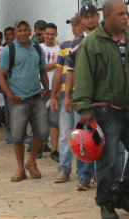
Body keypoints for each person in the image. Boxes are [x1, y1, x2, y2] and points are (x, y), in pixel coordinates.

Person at [73, 0, 129, 219]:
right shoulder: (92, 43)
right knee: (107, 161)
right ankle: (105, 202)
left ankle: (124, 193)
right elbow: (83, 77)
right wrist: (84, 107)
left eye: (126, 13)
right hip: (106, 110)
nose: (126, 17)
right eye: (120, 14)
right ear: (107, 17)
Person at [0, 19, 50, 182]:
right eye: (19, 31)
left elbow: (42, 70)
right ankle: (21, 169)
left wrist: (46, 89)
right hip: (17, 99)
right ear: (14, 33)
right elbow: (1, 76)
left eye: (25, 30)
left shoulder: (36, 49)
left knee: (42, 133)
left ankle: (31, 160)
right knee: (18, 136)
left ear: (30, 32)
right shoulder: (8, 51)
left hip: (36, 97)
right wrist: (10, 96)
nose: (23, 33)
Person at [65, 4, 103, 191]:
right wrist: (67, 96)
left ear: (98, 16)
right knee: (82, 137)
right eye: (85, 17)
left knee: (100, 136)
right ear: (82, 19)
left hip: (103, 97)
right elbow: (70, 73)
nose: (90, 19)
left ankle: (100, 175)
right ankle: (84, 176)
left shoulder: (106, 38)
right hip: (82, 98)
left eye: (92, 16)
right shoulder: (75, 44)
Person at [51, 12, 84, 183]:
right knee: (65, 135)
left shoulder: (87, 43)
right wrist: (54, 95)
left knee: (80, 135)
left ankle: (83, 173)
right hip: (65, 95)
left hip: (81, 96)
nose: (74, 27)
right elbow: (58, 71)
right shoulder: (64, 45)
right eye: (72, 24)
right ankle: (63, 169)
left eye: (76, 24)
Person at [41, 23, 61, 162]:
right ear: (43, 34)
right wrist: (57, 64)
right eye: (47, 34)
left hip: (55, 90)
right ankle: (39, 148)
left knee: (54, 121)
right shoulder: (37, 49)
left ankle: (54, 150)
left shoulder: (61, 50)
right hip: (40, 89)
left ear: (56, 35)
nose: (49, 37)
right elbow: (40, 67)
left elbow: (64, 71)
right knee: (39, 120)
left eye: (52, 34)